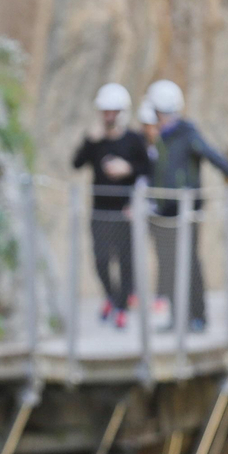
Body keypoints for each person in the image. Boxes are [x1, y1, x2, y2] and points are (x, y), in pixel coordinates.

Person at [145, 79, 228, 332]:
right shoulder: (160, 138)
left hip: (187, 211)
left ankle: (198, 316)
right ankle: (176, 317)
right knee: (169, 265)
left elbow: (213, 156)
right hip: (163, 212)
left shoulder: (187, 133)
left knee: (190, 263)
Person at [72, 83, 151, 329]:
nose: (108, 116)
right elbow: (76, 163)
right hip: (100, 210)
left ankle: (121, 307)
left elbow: (149, 170)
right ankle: (112, 297)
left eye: (113, 111)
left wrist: (128, 169)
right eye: (105, 111)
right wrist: (89, 140)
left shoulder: (134, 140)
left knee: (126, 260)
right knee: (101, 259)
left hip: (126, 211)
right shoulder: (96, 141)